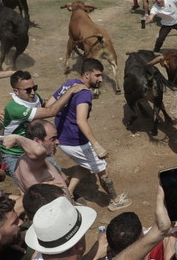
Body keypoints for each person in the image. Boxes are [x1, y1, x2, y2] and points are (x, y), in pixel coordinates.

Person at [49, 58, 131, 211]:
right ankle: (115, 200)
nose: (101, 79)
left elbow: (49, 104)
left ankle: (69, 194)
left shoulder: (69, 84)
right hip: (76, 141)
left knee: (85, 165)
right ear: (86, 75)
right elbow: (81, 121)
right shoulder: (84, 94)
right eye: (97, 75)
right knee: (102, 169)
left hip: (61, 137)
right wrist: (96, 145)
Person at [0, 70, 86, 177]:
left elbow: (47, 104)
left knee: (59, 177)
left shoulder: (34, 97)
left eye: (34, 88)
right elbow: (51, 111)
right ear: (16, 91)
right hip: (14, 154)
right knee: (28, 184)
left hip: (34, 148)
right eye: (28, 90)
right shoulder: (15, 108)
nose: (33, 92)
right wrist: (70, 90)